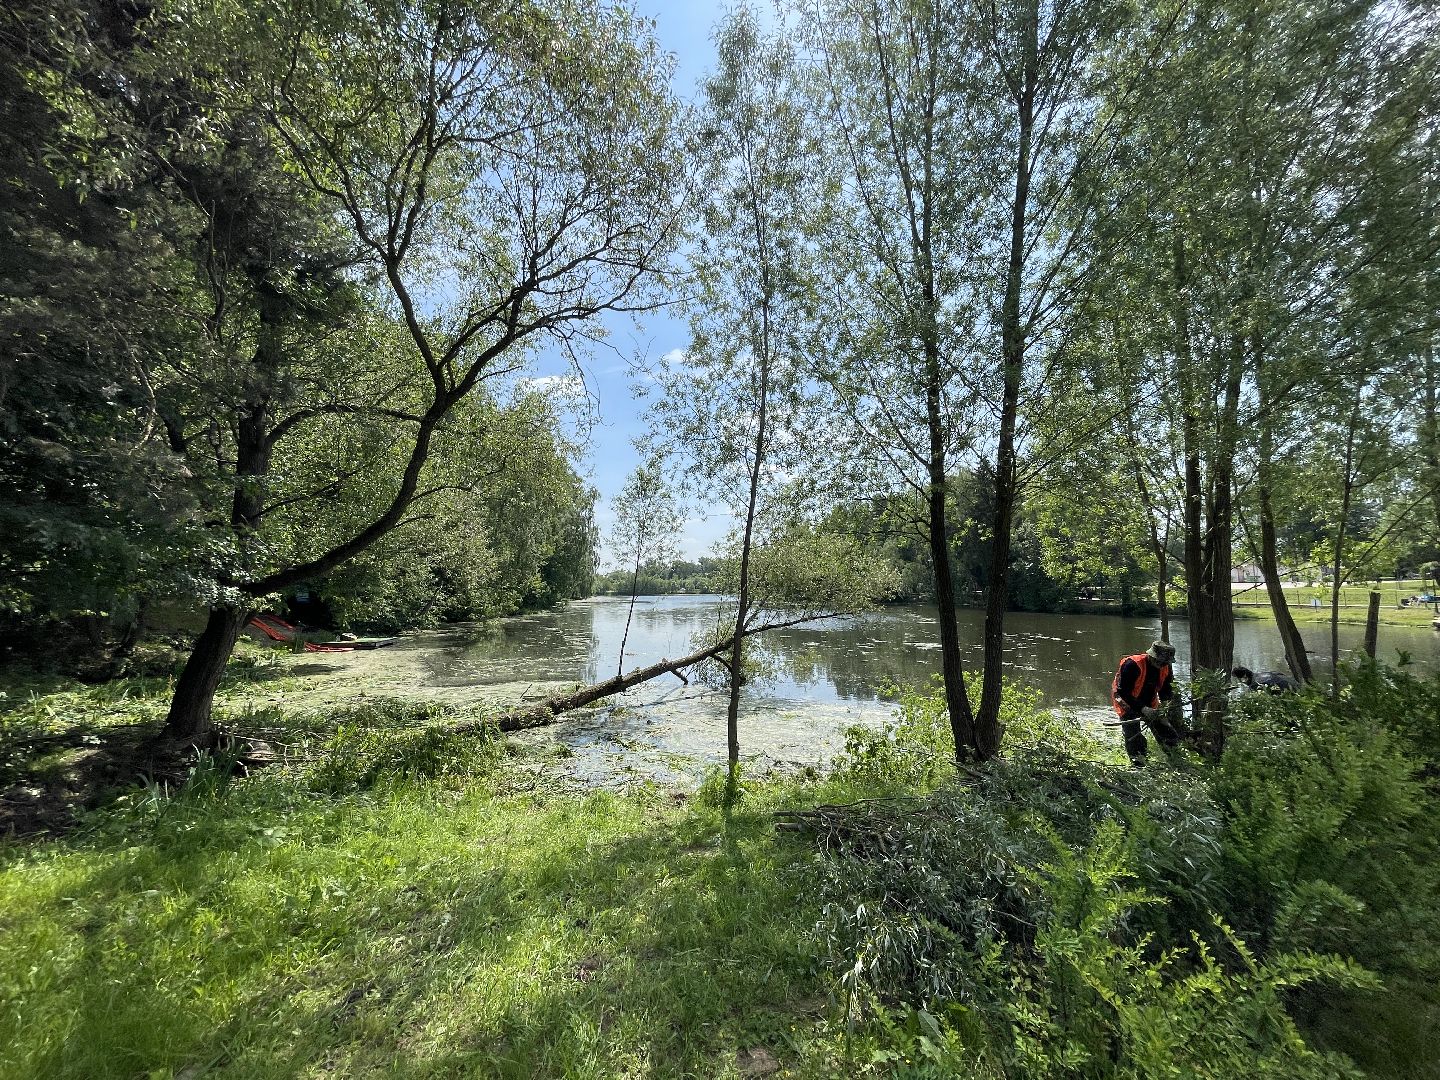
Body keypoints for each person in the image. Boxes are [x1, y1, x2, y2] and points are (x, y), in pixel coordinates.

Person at [1111, 640, 1181, 763]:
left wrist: (1164, 706)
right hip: (1127, 703)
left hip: (1150, 702)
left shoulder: (1165, 667)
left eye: (1165, 662)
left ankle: (1176, 761)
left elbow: (1166, 689)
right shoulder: (1132, 665)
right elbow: (1123, 692)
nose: (1162, 664)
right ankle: (1139, 765)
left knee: (1168, 733)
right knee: (1134, 738)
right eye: (1160, 661)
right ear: (1151, 656)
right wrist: (1143, 709)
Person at [1231, 666, 1298, 693]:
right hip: (1295, 685)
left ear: (1244, 677)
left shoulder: (1255, 684)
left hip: (1292, 690)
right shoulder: (1259, 675)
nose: (1239, 681)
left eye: (1238, 678)